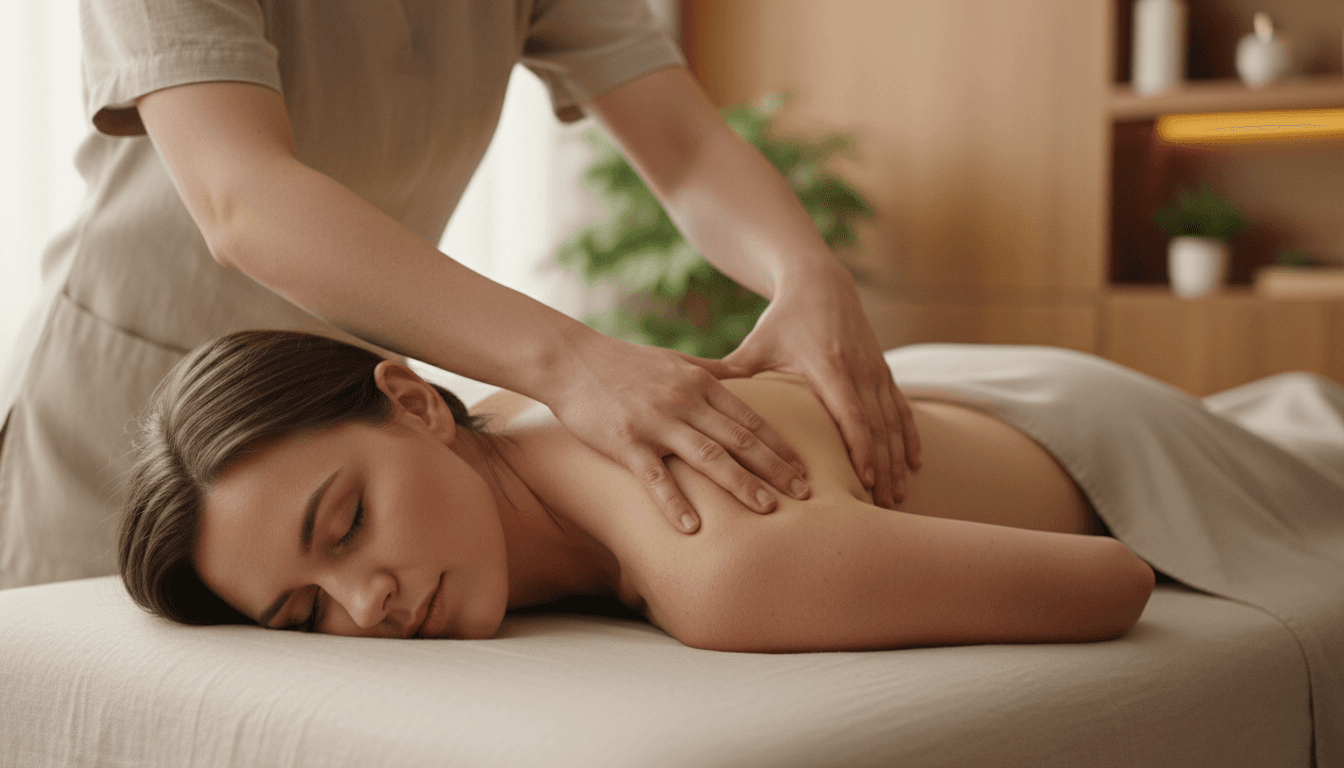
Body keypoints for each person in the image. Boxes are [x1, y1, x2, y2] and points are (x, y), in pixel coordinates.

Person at [0, 0, 920, 590]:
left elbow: (684, 146)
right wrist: (577, 363)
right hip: (115, 418)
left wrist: (807, 272)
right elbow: (244, 201)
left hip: (345, 426)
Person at [120, 330, 1159, 650]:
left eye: (347, 524)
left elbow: (1114, 579)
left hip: (1094, 434)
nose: (367, 603)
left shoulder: (723, 565)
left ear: (416, 403)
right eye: (305, 614)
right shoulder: (513, 429)